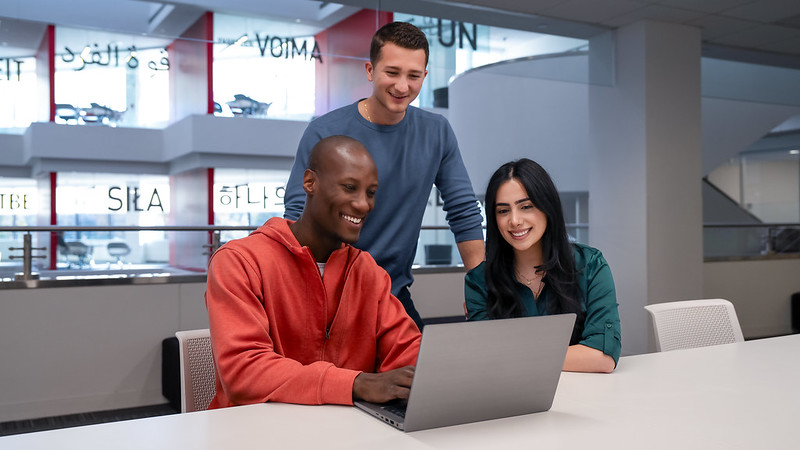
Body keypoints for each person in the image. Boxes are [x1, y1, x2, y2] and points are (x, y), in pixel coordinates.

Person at [284, 22, 485, 330]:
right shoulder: (324, 131)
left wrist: (480, 288)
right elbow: (297, 216)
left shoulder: (437, 132)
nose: (402, 86)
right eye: (392, 72)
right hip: (326, 293)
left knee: (423, 376)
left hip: (393, 294)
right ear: (370, 70)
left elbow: (463, 210)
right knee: (337, 379)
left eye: (413, 76)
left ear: (424, 77)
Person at [206, 135, 421, 408]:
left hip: (344, 433)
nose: (364, 204)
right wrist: (355, 384)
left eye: (370, 192)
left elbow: (408, 354)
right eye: (349, 187)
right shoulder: (239, 261)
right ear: (310, 183)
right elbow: (243, 373)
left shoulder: (369, 273)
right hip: (254, 433)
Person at [465, 159, 621, 373]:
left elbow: (602, 358)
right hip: (515, 400)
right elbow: (487, 361)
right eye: (503, 211)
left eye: (526, 207)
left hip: (586, 396)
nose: (515, 220)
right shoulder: (479, 282)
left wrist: (512, 355)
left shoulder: (591, 266)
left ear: (548, 207)